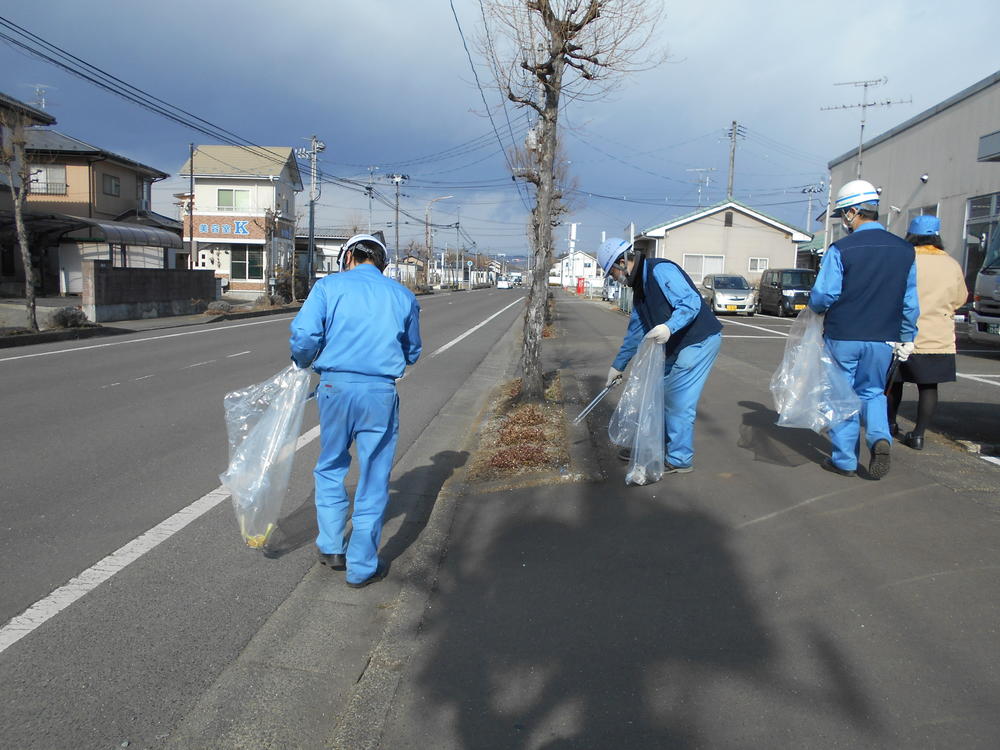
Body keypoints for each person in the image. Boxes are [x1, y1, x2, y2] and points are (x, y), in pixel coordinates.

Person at [289, 234, 421, 587]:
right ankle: (362, 566)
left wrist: (303, 361)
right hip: (379, 392)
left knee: (331, 464)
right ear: (383, 263)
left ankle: (332, 546)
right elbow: (413, 351)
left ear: (347, 256)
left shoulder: (327, 287)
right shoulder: (402, 295)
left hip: (335, 388)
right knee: (375, 474)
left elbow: (304, 336)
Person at [808, 179, 919, 479]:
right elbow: (910, 302)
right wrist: (908, 337)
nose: (844, 220)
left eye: (844, 213)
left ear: (853, 212)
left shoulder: (841, 249)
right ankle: (879, 436)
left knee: (842, 395)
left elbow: (823, 296)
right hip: (884, 337)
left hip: (844, 334)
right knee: (872, 392)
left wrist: (815, 311)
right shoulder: (905, 250)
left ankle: (844, 461)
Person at [598, 238, 723, 474]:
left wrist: (669, 327)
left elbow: (690, 302)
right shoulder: (640, 292)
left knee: (677, 400)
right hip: (677, 345)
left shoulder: (660, 270)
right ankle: (653, 446)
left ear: (622, 262)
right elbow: (635, 333)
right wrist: (618, 366)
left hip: (698, 341)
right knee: (656, 393)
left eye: (612, 272)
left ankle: (679, 458)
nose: (614, 278)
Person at [887, 215, 968, 450]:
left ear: (910, 235)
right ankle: (919, 435)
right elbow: (960, 298)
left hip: (903, 333)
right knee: (929, 386)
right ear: (937, 235)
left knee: (895, 381)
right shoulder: (951, 264)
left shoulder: (904, 259)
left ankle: (891, 424)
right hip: (937, 335)